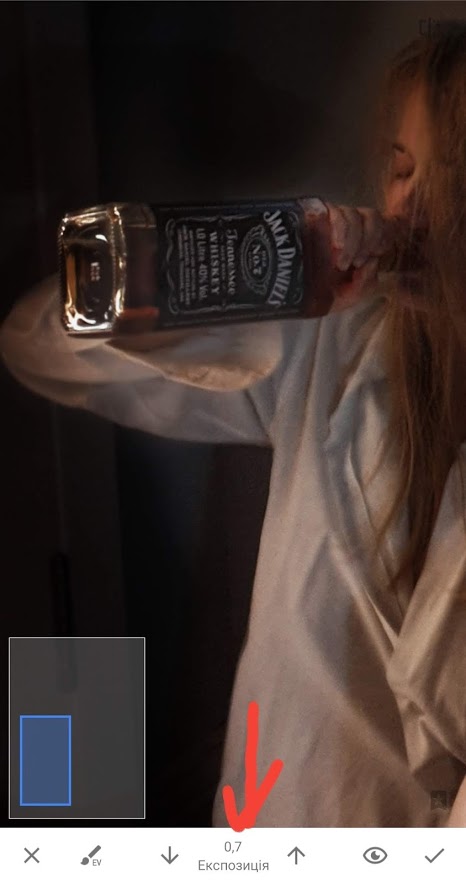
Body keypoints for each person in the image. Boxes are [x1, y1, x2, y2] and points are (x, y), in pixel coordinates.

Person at [2, 22, 466, 828]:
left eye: (451, 177)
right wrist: (254, 268)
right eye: (398, 169)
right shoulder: (334, 343)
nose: (408, 208)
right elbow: (40, 344)